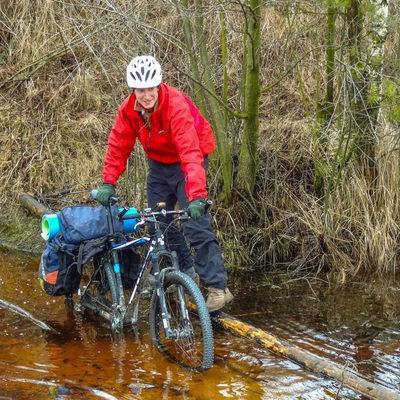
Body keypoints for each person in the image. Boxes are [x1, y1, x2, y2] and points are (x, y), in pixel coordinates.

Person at [96, 55, 233, 312]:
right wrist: (108, 182)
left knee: (195, 224)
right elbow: (118, 145)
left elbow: (191, 153)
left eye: (150, 89)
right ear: (133, 90)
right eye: (140, 90)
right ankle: (183, 273)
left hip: (186, 161)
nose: (146, 95)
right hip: (158, 165)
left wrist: (196, 198)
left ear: (159, 86)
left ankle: (218, 287)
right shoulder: (129, 110)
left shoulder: (176, 106)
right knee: (157, 222)